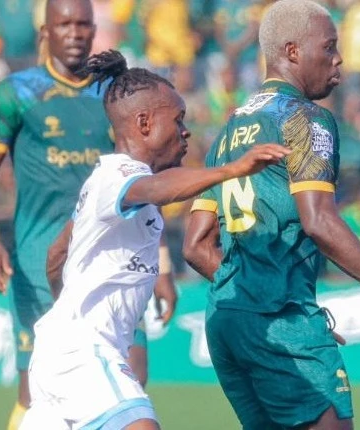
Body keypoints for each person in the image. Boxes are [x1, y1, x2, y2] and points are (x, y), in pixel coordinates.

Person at [182, 2, 360, 429]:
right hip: (278, 321)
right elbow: (319, 220)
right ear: (293, 52)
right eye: (330, 47)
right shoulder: (304, 118)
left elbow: (195, 244)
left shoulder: (230, 130)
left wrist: (257, 299)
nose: (339, 60)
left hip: (228, 322)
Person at [19, 50, 290, 430]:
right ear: (144, 123)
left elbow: (56, 255)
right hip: (84, 353)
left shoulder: (107, 185)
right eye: (178, 119)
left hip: (57, 354)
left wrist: (68, 309)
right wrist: (232, 169)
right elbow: (156, 190)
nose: (186, 131)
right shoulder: (120, 176)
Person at [0, 1, 176, 428]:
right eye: (65, 25)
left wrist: (164, 262)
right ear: (45, 30)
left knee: (132, 377)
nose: (75, 33)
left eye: (83, 25)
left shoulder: (114, 93)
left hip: (109, 266)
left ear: (94, 28)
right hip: (36, 262)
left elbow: (145, 179)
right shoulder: (16, 93)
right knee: (37, 393)